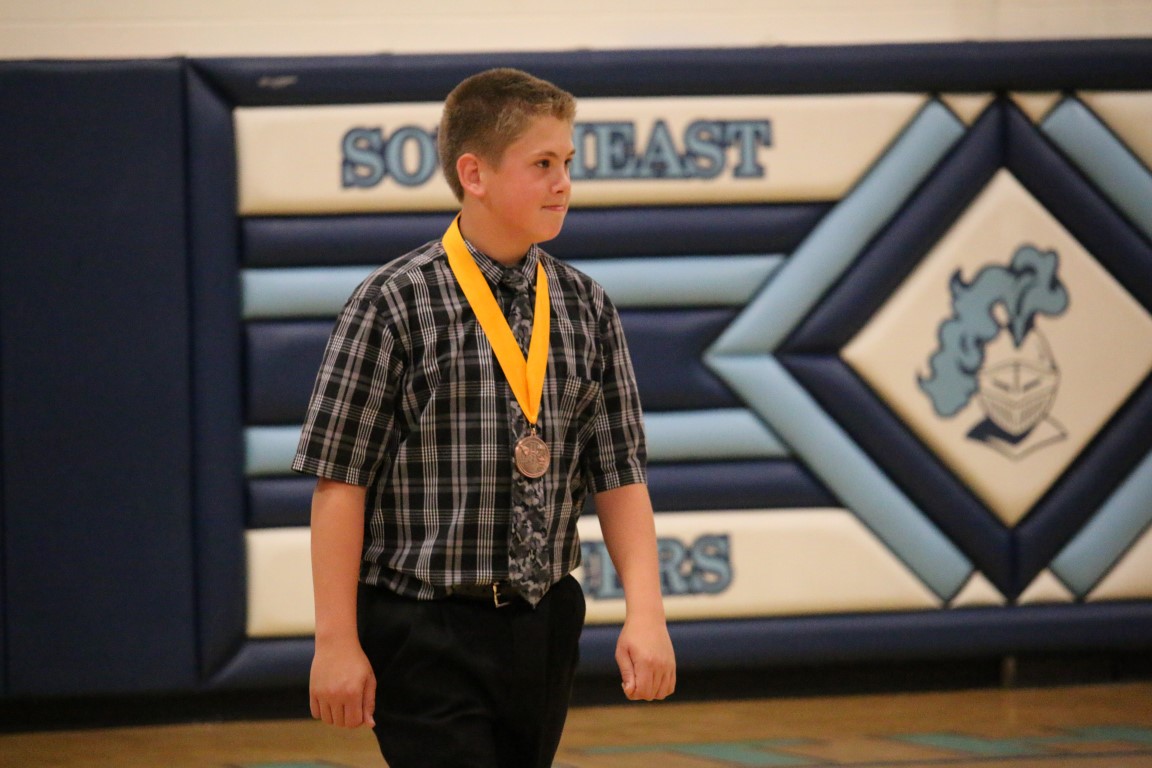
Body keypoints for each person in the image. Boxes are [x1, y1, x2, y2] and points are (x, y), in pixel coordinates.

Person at [292, 67, 676, 768]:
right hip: (424, 625)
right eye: (542, 164)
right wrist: (335, 641)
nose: (563, 183)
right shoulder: (393, 303)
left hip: (545, 620)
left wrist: (645, 612)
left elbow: (620, 475)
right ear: (474, 174)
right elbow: (339, 482)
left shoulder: (587, 307)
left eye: (567, 163)